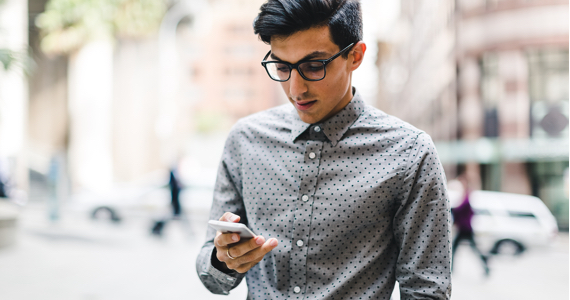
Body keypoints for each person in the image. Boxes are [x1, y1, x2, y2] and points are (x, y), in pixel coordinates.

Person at [196, 1, 452, 299]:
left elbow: (427, 289)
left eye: (313, 66)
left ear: (355, 56)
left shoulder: (409, 154)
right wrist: (223, 259)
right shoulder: (245, 140)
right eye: (281, 66)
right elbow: (211, 275)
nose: (295, 90)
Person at [451, 175, 489, 276]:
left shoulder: (467, 194)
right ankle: (451, 269)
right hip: (464, 227)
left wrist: (453, 209)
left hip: (465, 228)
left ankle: (485, 264)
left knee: (470, 249)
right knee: (459, 248)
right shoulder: (465, 194)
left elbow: (462, 208)